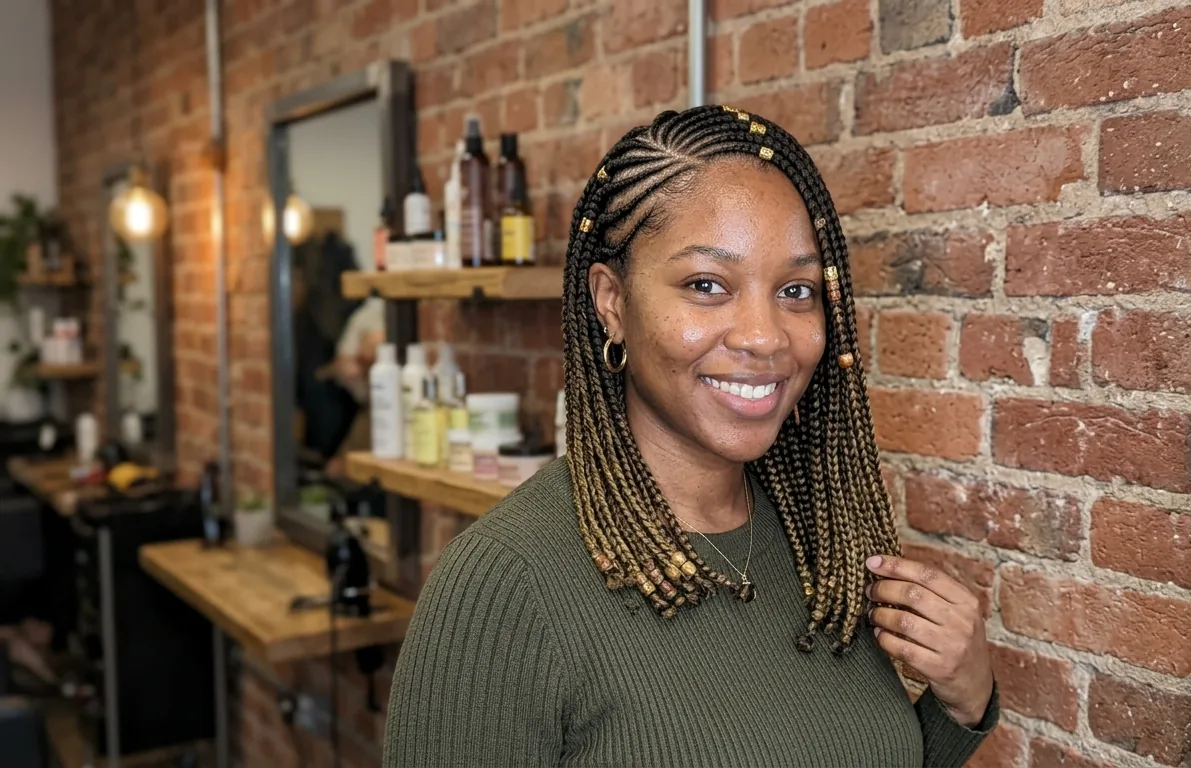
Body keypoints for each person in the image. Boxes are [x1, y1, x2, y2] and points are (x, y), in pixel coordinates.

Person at [384, 106, 998, 766]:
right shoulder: (505, 586)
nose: (764, 336)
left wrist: (960, 706)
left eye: (796, 289)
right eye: (707, 285)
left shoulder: (824, 545)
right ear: (611, 303)